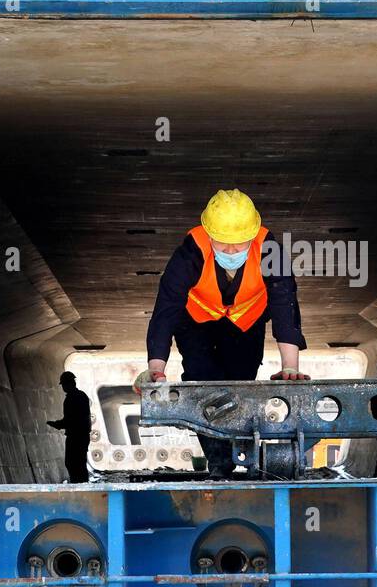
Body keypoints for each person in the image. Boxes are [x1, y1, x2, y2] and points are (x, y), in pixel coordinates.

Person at [134, 189, 308, 479]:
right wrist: (156, 368)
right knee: (202, 380)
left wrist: (290, 367)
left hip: (246, 323)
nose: (230, 251)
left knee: (240, 383)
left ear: (252, 236)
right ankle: (219, 462)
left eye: (238, 244)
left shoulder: (270, 250)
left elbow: (284, 303)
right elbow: (167, 308)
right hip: (196, 322)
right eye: (222, 244)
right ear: (208, 233)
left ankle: (239, 448)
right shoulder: (190, 251)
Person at [47, 371, 92, 483]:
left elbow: (70, 420)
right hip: (83, 436)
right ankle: (83, 486)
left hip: (75, 437)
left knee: (72, 463)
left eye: (63, 385)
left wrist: (56, 424)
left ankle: (78, 485)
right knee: (80, 463)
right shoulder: (82, 396)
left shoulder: (71, 399)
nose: (63, 387)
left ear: (68, 384)